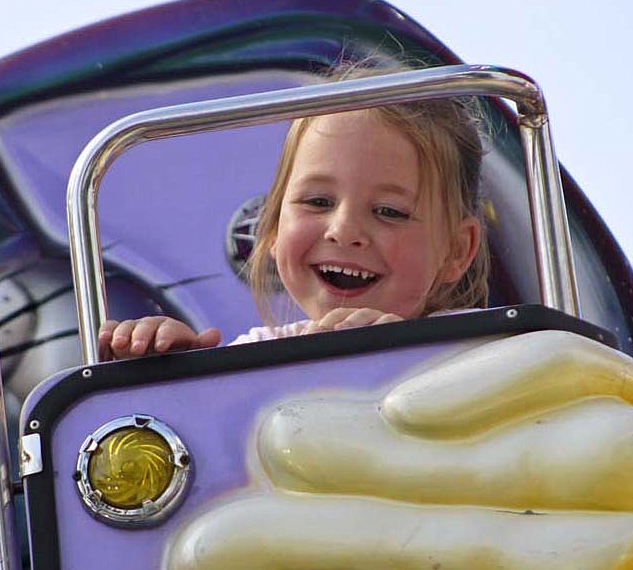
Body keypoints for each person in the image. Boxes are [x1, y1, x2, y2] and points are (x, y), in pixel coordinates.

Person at [98, 65, 490, 360]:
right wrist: (172, 374)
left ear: (456, 250)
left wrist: (391, 357)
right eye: (317, 202)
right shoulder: (257, 354)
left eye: (389, 211)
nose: (343, 230)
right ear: (270, 229)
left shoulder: (472, 357)